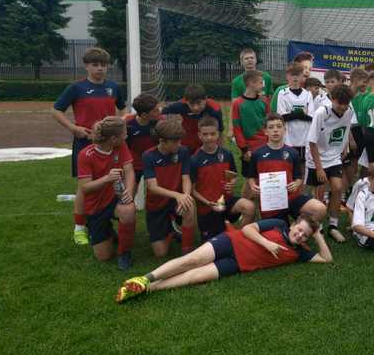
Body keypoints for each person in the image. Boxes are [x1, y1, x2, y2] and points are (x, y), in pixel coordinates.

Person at [115, 214, 333, 303]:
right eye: (300, 229)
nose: (300, 235)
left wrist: (318, 235)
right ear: (293, 224)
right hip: (231, 242)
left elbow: (327, 259)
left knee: (195, 277)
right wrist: (267, 244)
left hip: (237, 264)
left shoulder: (300, 252)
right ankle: (146, 278)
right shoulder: (279, 224)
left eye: (305, 235)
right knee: (190, 261)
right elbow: (248, 229)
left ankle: (146, 288)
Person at [52, 46, 125, 247]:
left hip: (110, 144)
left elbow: (122, 107)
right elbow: (56, 110)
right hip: (85, 142)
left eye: (103, 65)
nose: (100, 68)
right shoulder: (76, 88)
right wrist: (73, 128)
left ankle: (105, 222)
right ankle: (79, 228)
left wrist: (118, 127)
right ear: (86, 66)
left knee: (110, 182)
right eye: (95, 64)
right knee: (84, 188)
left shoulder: (113, 87)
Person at [77, 116, 136, 270]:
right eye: (124, 134)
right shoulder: (85, 155)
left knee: (129, 210)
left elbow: (129, 170)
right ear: (113, 138)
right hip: (95, 206)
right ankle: (107, 231)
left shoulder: (121, 146)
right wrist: (107, 179)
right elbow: (85, 188)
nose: (126, 136)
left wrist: (129, 191)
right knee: (104, 257)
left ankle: (125, 253)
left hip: (114, 199)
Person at [246, 113, 327, 222]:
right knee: (280, 231)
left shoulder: (292, 153)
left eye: (279, 126)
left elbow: (298, 177)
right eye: (271, 127)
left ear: (284, 130)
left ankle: (299, 226)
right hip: (271, 202)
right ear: (265, 131)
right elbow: (251, 176)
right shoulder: (257, 154)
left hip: (292, 197)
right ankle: (288, 226)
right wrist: (252, 185)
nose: (275, 130)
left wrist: (296, 184)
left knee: (320, 209)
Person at [191, 116, 255, 242]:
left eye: (212, 134)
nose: (209, 137)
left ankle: (239, 238)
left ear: (218, 134)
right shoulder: (194, 160)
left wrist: (231, 183)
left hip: (226, 202)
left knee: (249, 207)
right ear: (199, 135)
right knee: (216, 244)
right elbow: (192, 190)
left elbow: (233, 175)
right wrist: (208, 203)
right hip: (207, 208)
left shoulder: (226, 154)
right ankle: (225, 233)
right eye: (205, 134)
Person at [142, 116, 197, 256]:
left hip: (175, 202)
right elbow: (153, 187)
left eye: (180, 140)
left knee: (189, 206)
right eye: (175, 142)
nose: (179, 144)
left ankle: (187, 251)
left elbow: (186, 178)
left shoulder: (183, 151)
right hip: (156, 205)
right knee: (160, 253)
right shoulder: (148, 156)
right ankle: (170, 231)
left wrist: (185, 195)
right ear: (162, 141)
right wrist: (177, 195)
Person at [306, 85, 355, 242]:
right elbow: (312, 142)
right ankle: (317, 226)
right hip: (316, 157)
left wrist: (345, 146)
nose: (343, 107)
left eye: (346, 103)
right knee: (319, 191)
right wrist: (319, 168)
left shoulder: (349, 111)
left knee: (338, 187)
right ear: (332, 99)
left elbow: (346, 129)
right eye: (339, 103)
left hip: (334, 156)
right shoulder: (322, 113)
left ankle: (333, 225)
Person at [231, 70, 270, 198]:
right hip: (249, 148)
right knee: (249, 179)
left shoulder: (264, 101)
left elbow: (269, 123)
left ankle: (263, 203)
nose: (263, 86)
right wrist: (244, 149)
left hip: (265, 146)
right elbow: (237, 128)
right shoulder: (237, 103)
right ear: (250, 83)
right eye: (260, 83)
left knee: (264, 177)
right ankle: (244, 205)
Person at [162, 84, 224, 154]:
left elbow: (220, 132)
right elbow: (162, 112)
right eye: (191, 104)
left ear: (205, 99)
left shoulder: (214, 109)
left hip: (205, 138)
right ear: (186, 101)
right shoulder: (180, 105)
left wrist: (220, 151)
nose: (195, 108)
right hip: (187, 138)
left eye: (199, 103)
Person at [275, 62, 314, 161]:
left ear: (302, 76)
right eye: (292, 74)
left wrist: (292, 114)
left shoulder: (308, 94)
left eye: (298, 74)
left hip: (305, 139)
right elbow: (282, 117)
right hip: (288, 139)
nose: (295, 77)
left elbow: (311, 117)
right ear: (287, 76)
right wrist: (302, 113)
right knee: (288, 165)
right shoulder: (282, 93)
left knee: (303, 165)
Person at [124, 92, 160, 191]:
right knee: (129, 193)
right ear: (144, 115)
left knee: (156, 192)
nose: (159, 111)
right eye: (155, 110)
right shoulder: (127, 124)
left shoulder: (160, 122)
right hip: (134, 165)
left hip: (154, 163)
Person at [346, 67, 369, 184]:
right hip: (349, 132)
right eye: (364, 81)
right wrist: (351, 139)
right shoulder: (345, 95)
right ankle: (351, 186)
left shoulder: (361, 96)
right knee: (350, 162)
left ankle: (359, 184)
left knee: (365, 159)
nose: (365, 84)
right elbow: (345, 121)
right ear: (355, 80)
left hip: (359, 131)